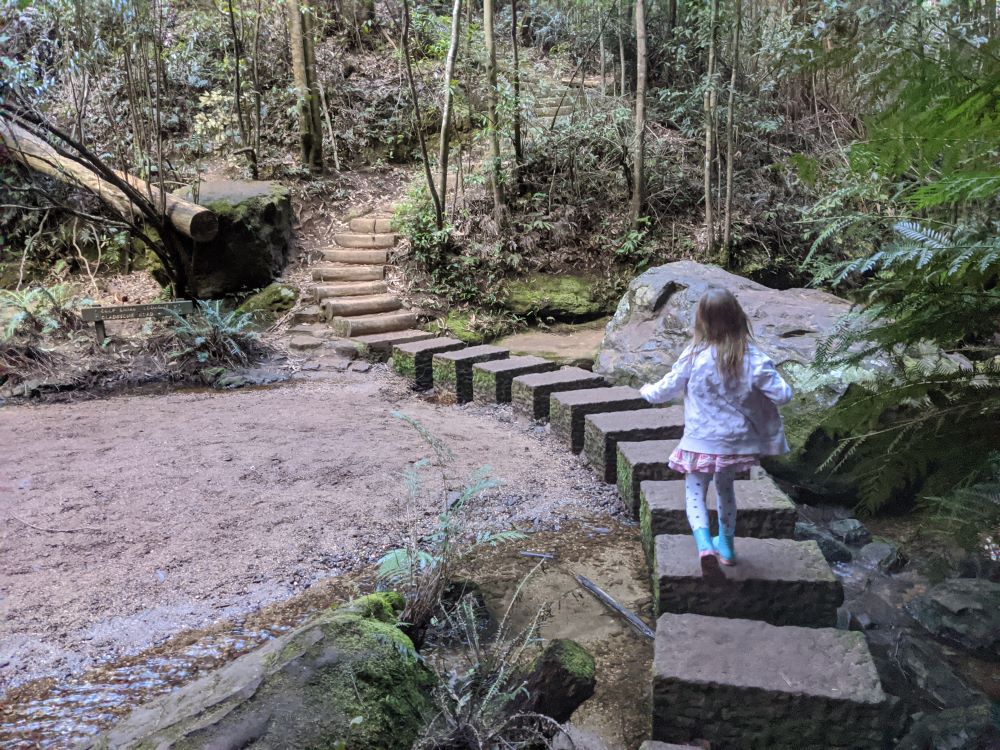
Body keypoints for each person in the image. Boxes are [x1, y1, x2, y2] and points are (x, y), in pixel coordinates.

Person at [639, 288, 793, 572]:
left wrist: (646, 391)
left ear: (701, 322)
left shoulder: (694, 355)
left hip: (700, 441)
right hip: (734, 444)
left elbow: (666, 389)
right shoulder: (752, 358)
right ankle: (727, 547)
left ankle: (704, 544)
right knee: (726, 491)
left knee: (695, 492)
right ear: (738, 318)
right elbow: (783, 395)